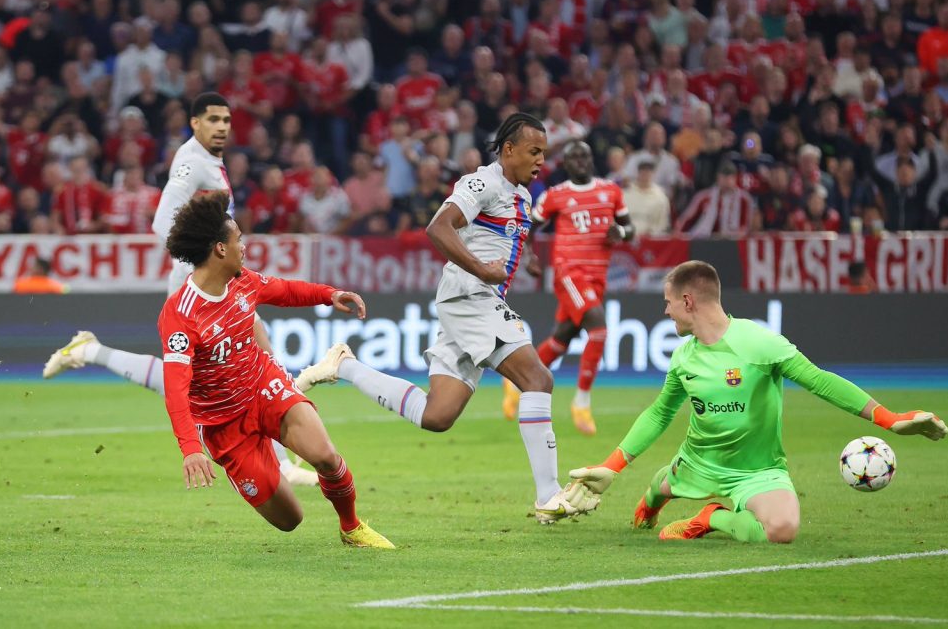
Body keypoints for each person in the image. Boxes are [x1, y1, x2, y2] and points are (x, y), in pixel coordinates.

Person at [295, 114, 596, 524]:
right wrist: (481, 268)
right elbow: (439, 228)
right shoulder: (481, 182)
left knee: (437, 415)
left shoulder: (521, 196)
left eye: (543, 152)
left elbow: (502, 240)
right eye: (534, 151)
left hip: (475, 299)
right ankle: (548, 495)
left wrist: (522, 263)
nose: (542, 160)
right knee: (537, 379)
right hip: (471, 296)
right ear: (508, 150)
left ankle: (344, 366)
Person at [42, 93, 317, 486]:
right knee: (212, 374)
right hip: (200, 284)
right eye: (212, 119)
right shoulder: (191, 162)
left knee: (249, 361)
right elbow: (161, 221)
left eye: (226, 119)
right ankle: (282, 463)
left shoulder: (209, 160)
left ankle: (89, 350)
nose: (221, 126)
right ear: (194, 123)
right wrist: (205, 269)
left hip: (215, 279)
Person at [567, 261, 948, 543]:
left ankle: (711, 517)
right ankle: (655, 494)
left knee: (782, 531)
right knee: (661, 489)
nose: (664, 311)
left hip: (757, 471)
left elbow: (819, 381)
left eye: (667, 303)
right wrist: (612, 466)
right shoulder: (683, 356)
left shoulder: (759, 343)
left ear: (687, 301)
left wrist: (888, 418)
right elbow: (660, 412)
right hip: (698, 462)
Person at [156, 193, 393, 547]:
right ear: (220, 249)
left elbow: (284, 290)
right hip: (223, 426)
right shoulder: (180, 315)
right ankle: (262, 459)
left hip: (262, 387)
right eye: (239, 239)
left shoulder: (241, 282)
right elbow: (175, 388)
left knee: (326, 457)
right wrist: (191, 448)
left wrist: (329, 294)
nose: (245, 247)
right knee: (290, 520)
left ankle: (352, 527)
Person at [500, 141, 634, 436]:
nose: (580, 161)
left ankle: (513, 382)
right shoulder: (556, 196)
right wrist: (530, 257)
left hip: (597, 276)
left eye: (584, 155)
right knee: (598, 329)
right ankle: (582, 402)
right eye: (573, 157)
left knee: (562, 338)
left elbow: (630, 228)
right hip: (569, 273)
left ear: (591, 159)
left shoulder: (611, 191)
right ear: (566, 165)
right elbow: (530, 226)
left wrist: (620, 232)